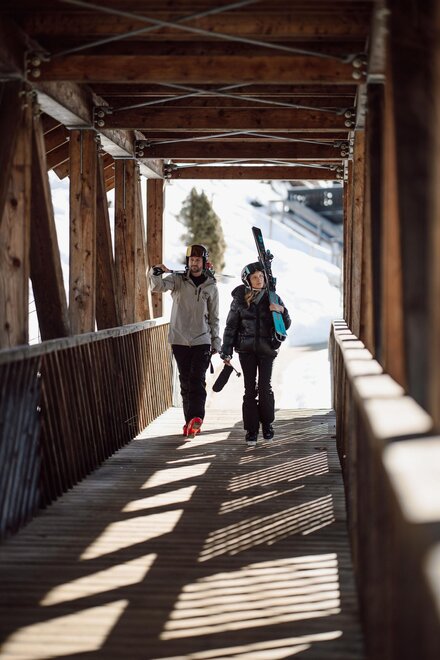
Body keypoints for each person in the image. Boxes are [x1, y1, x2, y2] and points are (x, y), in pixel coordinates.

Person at [150, 244, 221, 439]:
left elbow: (214, 317)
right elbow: (157, 286)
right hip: (179, 339)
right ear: (188, 262)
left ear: (204, 263)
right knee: (185, 382)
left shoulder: (211, 286)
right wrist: (155, 272)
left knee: (197, 380)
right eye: (192, 260)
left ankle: (196, 418)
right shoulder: (177, 280)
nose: (194, 263)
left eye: (198, 260)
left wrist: (216, 341)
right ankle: (189, 422)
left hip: (202, 339)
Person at [220, 262, 291, 447]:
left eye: (261, 276)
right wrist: (226, 351)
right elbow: (231, 327)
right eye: (254, 277)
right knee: (249, 389)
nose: (259, 280)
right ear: (247, 280)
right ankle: (251, 430)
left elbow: (286, 323)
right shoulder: (240, 299)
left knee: (265, 387)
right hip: (246, 350)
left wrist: (281, 311)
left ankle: (267, 425)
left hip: (267, 349)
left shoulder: (273, 297)